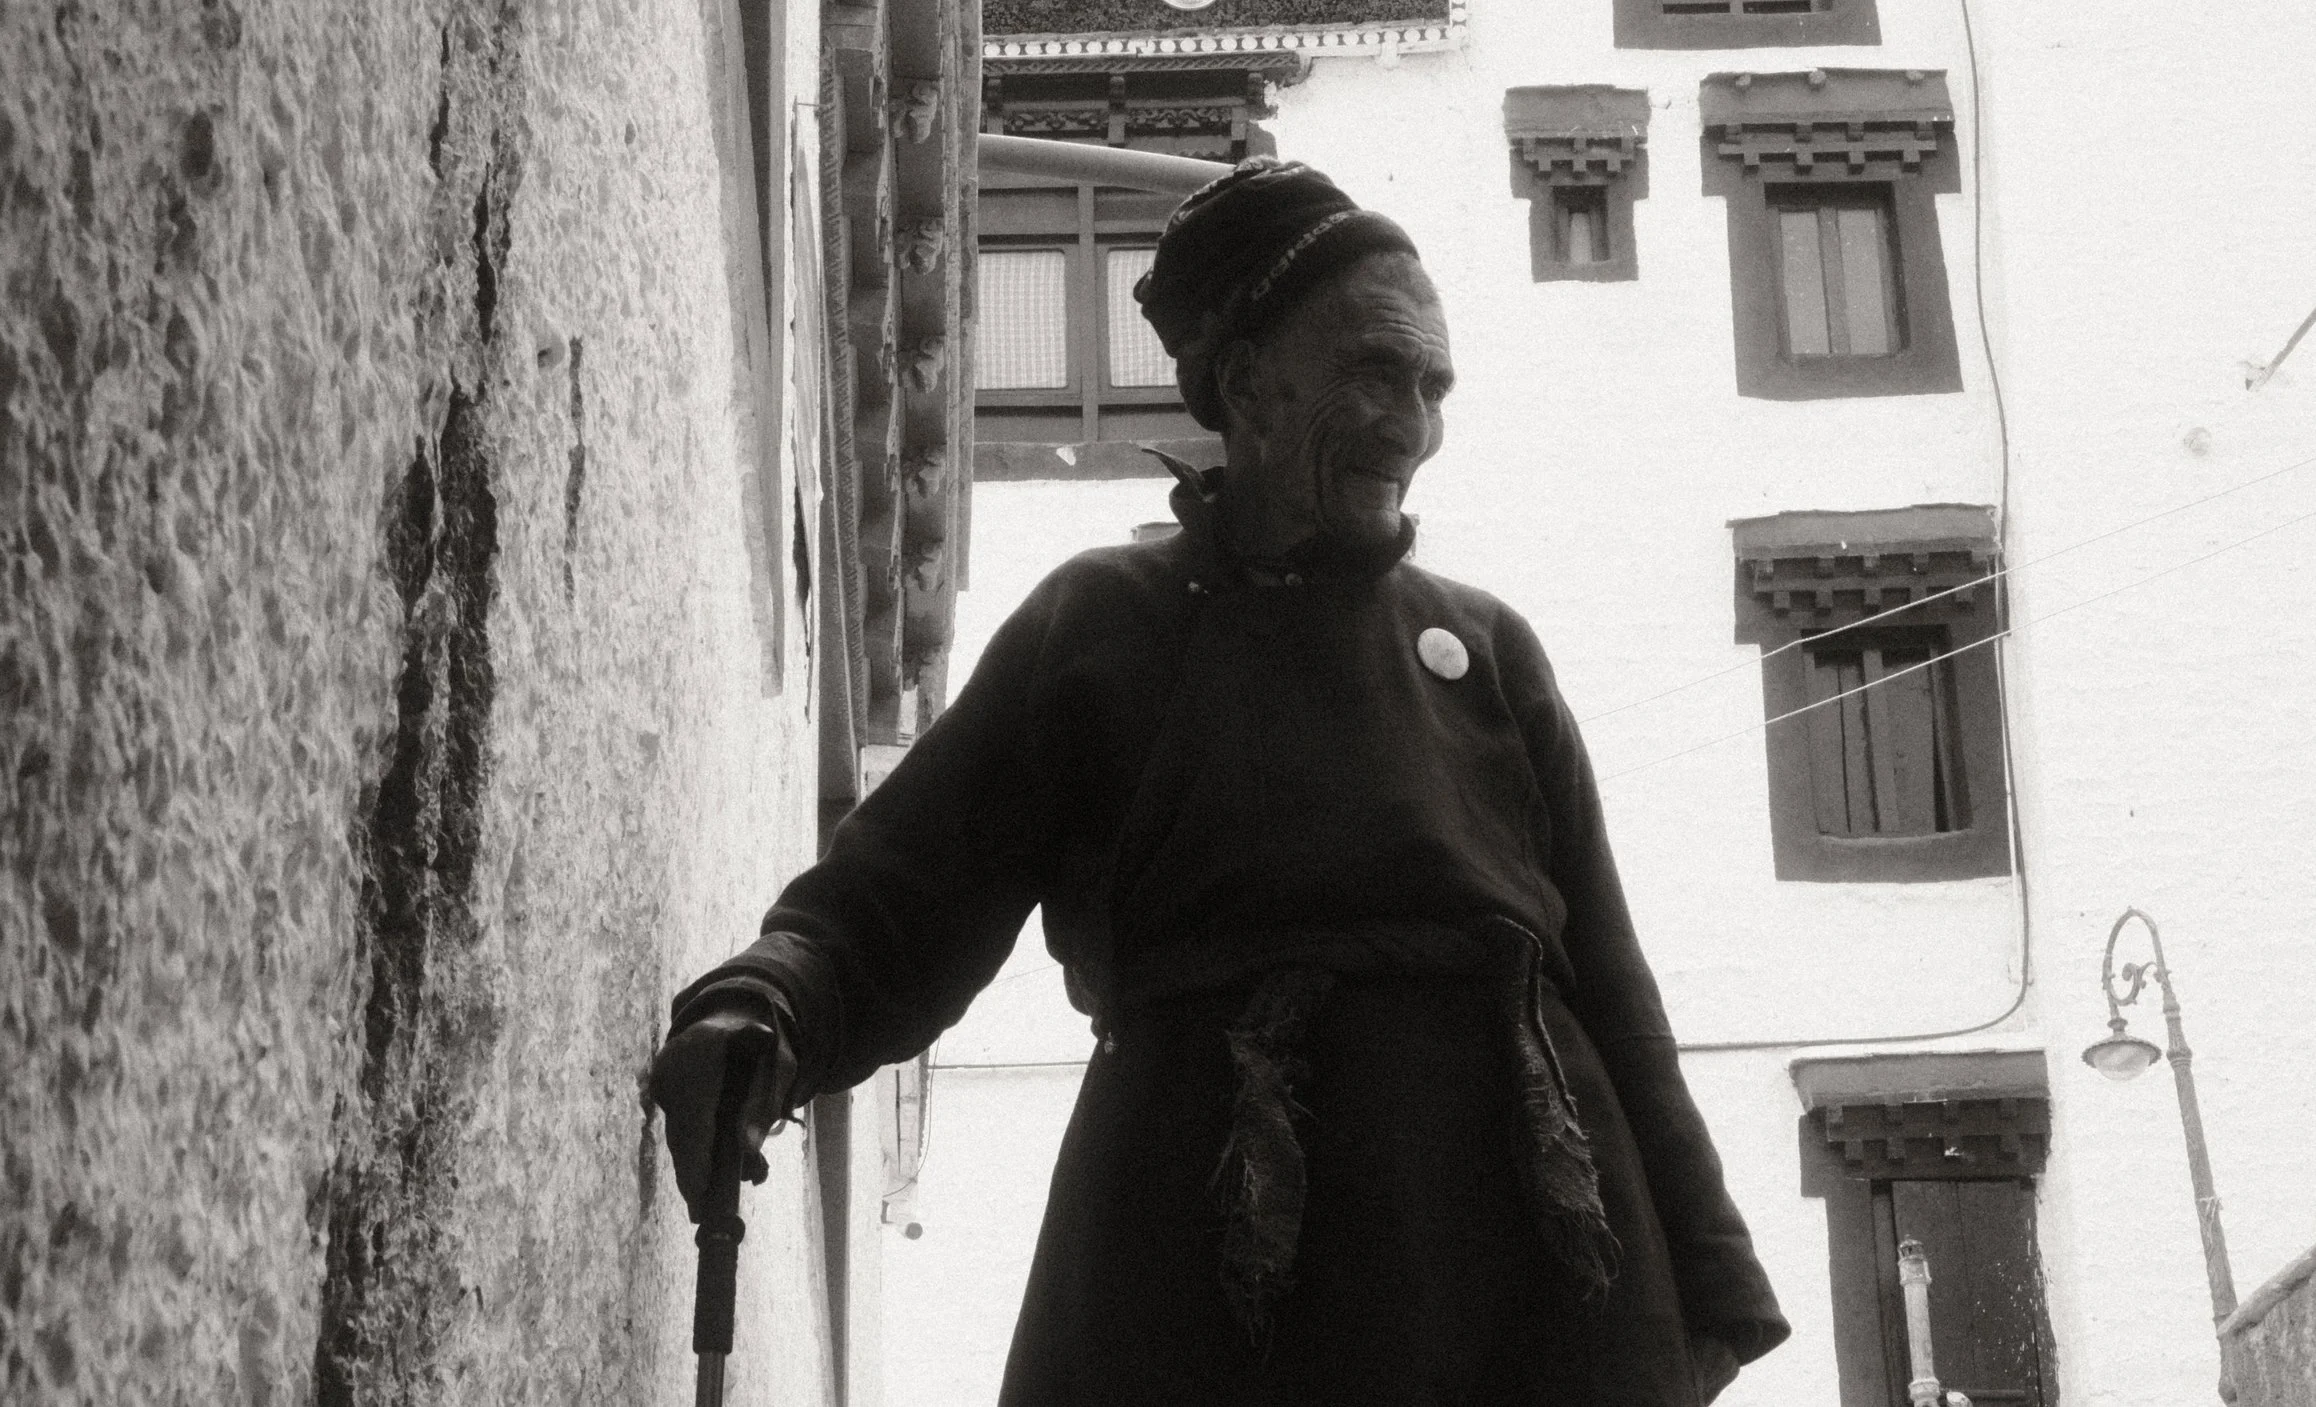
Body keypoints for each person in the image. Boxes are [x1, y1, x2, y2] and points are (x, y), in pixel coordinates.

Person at [648, 158, 1789, 1405]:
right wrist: (770, 1004)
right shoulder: (1105, 622)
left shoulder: (1488, 649)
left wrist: (1710, 1286)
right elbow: (906, 895)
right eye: (1375, 372)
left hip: (1527, 1269)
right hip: (1212, 1256)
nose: (1411, 426)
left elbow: (1613, 985)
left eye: (1432, 386)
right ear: (1246, 386)